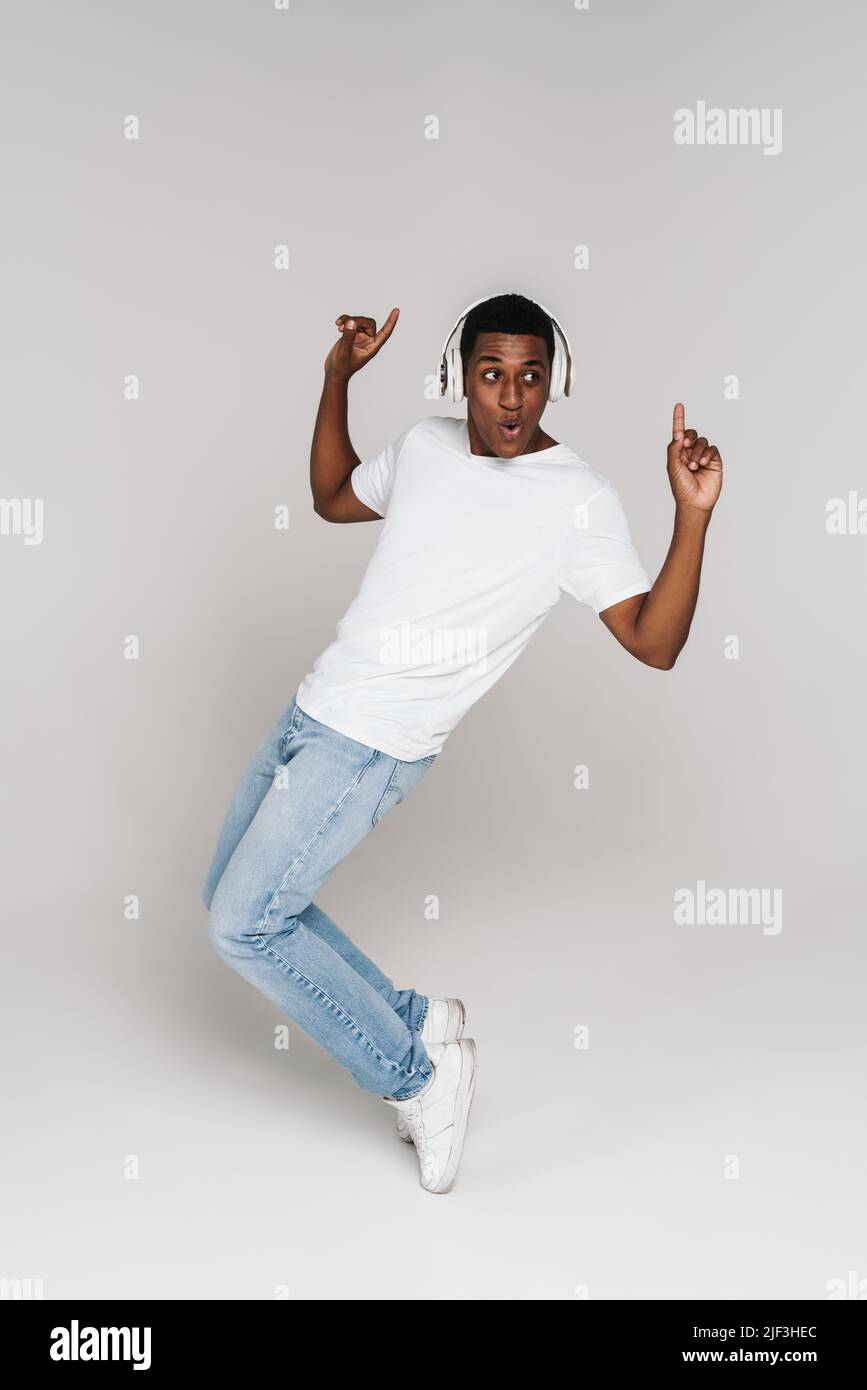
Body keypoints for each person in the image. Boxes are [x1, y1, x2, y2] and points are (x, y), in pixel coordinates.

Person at [202, 292, 723, 1195]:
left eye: (531, 377)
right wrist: (337, 378)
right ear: (459, 378)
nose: (512, 399)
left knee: (244, 923)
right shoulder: (426, 447)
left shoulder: (578, 500)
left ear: (554, 382)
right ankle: (416, 1016)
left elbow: (654, 641)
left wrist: (692, 516)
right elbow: (331, 498)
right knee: (233, 899)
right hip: (313, 709)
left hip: (370, 744)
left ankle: (417, 1075)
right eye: (492, 375)